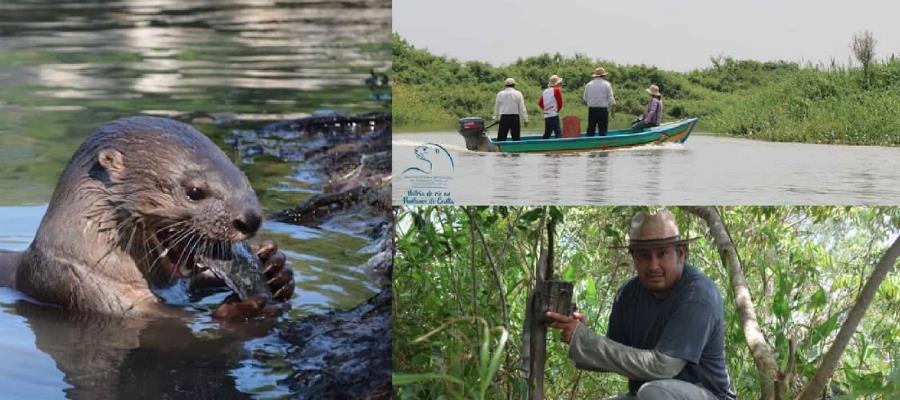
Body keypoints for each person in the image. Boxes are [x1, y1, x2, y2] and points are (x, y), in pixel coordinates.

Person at [546, 209, 736, 400]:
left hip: (707, 395)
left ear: (681, 253)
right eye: (644, 256)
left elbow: (663, 366)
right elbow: (613, 356)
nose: (653, 265)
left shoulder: (698, 294)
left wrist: (585, 340)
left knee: (652, 393)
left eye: (662, 254)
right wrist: (580, 335)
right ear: (633, 258)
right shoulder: (628, 294)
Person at [582, 67, 615, 136]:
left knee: (591, 129)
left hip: (592, 110)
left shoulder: (589, 84)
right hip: (603, 110)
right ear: (604, 75)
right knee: (603, 130)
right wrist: (611, 109)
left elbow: (585, 98)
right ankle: (602, 144)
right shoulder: (607, 84)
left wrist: (591, 102)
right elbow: (611, 99)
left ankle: (589, 143)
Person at [538, 74, 564, 139]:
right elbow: (560, 103)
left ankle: (542, 145)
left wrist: (546, 110)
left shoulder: (545, 91)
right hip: (553, 115)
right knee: (558, 133)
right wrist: (556, 111)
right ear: (557, 83)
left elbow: (540, 103)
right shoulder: (557, 90)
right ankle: (560, 147)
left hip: (546, 115)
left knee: (547, 133)